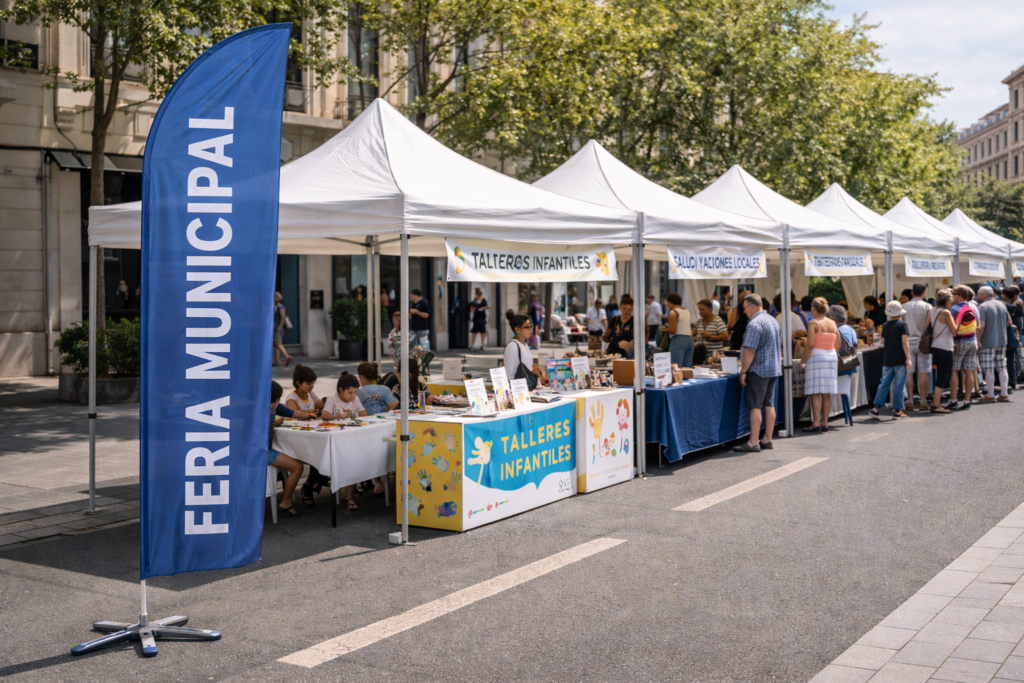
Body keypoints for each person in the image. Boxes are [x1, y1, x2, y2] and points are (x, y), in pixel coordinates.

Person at [734, 294, 782, 453]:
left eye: (745, 309)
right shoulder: (773, 320)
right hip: (773, 368)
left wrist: (743, 370)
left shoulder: (754, 323)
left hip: (758, 369)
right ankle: (767, 439)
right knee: (769, 404)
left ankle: (753, 442)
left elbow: (750, 349)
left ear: (751, 306)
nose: (744, 312)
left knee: (754, 405)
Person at [798, 297, 841, 432]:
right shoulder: (833, 323)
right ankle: (825, 423)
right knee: (826, 393)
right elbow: (838, 345)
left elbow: (810, 344)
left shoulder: (813, 323)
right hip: (831, 356)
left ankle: (816, 422)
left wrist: (802, 361)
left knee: (815, 392)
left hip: (817, 357)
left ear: (813, 308)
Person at [268, 382, 304, 517]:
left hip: (247, 452)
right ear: (277, 400)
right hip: (262, 453)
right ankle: (286, 502)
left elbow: (291, 413)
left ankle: (287, 500)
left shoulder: (256, 408)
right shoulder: (270, 411)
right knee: (298, 467)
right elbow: (290, 414)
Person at [869, 301, 911, 419]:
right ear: (900, 312)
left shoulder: (885, 325)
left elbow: (882, 341)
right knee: (899, 385)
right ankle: (897, 411)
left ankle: (875, 408)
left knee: (884, 384)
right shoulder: (903, 324)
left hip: (887, 359)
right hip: (900, 359)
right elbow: (905, 342)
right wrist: (908, 358)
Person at [977, 285, 1011, 403]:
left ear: (982, 295)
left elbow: (981, 326)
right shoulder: (1002, 304)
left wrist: (977, 340)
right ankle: (1004, 393)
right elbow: (1009, 321)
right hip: (1002, 340)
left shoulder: (982, 306)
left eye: (979, 294)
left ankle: (990, 394)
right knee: (1002, 366)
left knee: (988, 367)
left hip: (987, 341)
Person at [902, 283, 933, 411]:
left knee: (909, 373)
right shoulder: (928, 306)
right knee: (923, 373)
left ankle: (909, 401)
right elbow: (929, 325)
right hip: (923, 342)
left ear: (911, 293)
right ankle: (923, 401)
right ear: (924, 293)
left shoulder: (903, 306)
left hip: (907, 342)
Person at [927, 289, 957, 413]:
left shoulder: (932, 310)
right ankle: (936, 405)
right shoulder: (946, 313)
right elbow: (954, 330)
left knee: (941, 374)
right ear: (948, 300)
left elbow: (927, 327)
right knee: (943, 376)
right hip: (945, 346)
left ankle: (936, 403)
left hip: (935, 345)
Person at [950, 285, 980, 410]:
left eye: (954, 293)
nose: (953, 295)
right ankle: (967, 401)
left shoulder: (954, 308)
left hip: (959, 341)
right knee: (969, 370)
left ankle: (953, 400)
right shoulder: (971, 307)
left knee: (954, 369)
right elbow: (978, 325)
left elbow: (951, 327)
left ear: (960, 295)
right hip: (972, 340)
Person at [827, 305, 858, 405]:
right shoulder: (850, 329)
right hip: (849, 366)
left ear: (832, 317)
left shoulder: (834, 330)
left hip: (838, 368)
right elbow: (855, 344)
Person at [504, 312, 544, 386]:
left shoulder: (525, 345)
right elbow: (510, 372)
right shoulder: (513, 346)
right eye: (527, 327)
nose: (530, 329)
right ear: (517, 329)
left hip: (528, 386)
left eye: (531, 326)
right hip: (519, 388)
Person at [693, 298, 728, 364]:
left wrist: (710, 337)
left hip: (715, 359)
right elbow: (693, 334)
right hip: (700, 358)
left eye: (703, 310)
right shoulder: (698, 322)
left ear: (710, 309)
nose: (700, 312)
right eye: (699, 309)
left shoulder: (718, 321)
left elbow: (725, 336)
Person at [663, 292, 693, 367]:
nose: (667, 304)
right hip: (689, 339)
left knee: (675, 367)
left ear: (669, 302)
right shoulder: (687, 311)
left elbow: (673, 330)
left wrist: (662, 329)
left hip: (678, 340)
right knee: (687, 368)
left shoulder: (673, 312)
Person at [1003, 285, 1024, 388]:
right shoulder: (1017, 302)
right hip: (1015, 334)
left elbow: (1017, 323)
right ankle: (1014, 378)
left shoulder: (1017, 304)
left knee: (1014, 358)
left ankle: (1014, 378)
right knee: (1015, 358)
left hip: (1014, 335)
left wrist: (1017, 335)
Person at [272, 291, 292, 367]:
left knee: (277, 344)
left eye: (275, 297)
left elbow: (283, 318)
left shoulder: (280, 307)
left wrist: (279, 327)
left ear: (278, 298)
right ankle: (277, 360)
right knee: (275, 344)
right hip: (276, 328)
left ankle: (287, 356)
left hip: (279, 329)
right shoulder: (275, 306)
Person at [409, 288, 431, 353]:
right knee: (414, 348)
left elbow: (426, 315)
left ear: (414, 295)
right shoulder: (413, 305)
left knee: (424, 348)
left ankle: (424, 358)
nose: (411, 297)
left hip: (422, 329)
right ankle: (417, 359)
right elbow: (410, 317)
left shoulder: (424, 303)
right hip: (414, 329)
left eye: (412, 295)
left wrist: (417, 312)